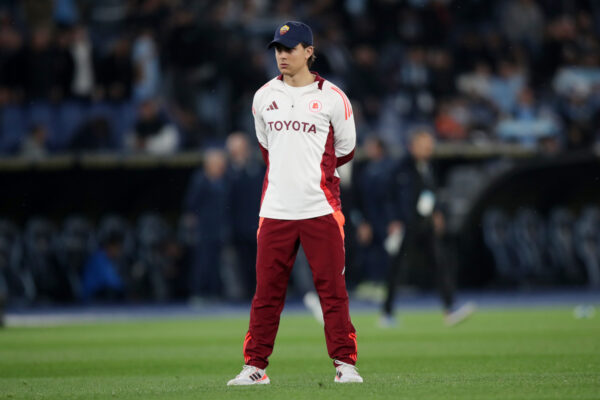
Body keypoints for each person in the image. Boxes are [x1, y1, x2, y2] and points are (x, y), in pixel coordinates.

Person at [227, 21, 362, 386]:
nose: (282, 56)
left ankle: (345, 365)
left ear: (308, 52)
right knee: (266, 294)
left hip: (320, 208)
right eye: (277, 49)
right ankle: (255, 367)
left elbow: (345, 151)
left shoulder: (334, 97)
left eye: (289, 49)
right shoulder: (262, 97)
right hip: (275, 210)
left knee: (332, 292)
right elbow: (267, 148)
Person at [382, 129, 475, 327]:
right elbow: (388, 197)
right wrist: (393, 220)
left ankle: (450, 307)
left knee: (440, 263)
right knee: (396, 269)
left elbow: (430, 193)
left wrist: (436, 213)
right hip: (406, 224)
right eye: (424, 145)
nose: (428, 149)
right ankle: (387, 313)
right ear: (412, 146)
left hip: (424, 224)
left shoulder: (427, 166)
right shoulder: (400, 168)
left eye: (429, 146)